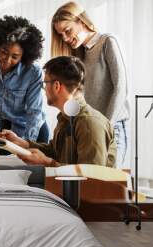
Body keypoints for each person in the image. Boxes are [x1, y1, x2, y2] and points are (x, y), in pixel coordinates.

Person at [0, 56, 117, 167]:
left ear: (56, 86)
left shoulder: (89, 123)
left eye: (45, 83)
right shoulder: (65, 117)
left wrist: (47, 163)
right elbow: (55, 151)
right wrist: (24, 144)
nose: (44, 89)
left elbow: (91, 178)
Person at [51, 1, 129, 167]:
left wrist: (105, 126)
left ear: (81, 21)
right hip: (89, 129)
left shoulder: (108, 42)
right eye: (61, 35)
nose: (64, 38)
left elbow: (121, 89)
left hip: (111, 127)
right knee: (89, 186)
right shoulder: (80, 53)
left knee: (106, 186)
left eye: (67, 30)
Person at [0, 15, 49, 154]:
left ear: (24, 56)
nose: (7, 60)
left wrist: (26, 144)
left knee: (32, 172)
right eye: (3, 51)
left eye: (15, 56)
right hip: (6, 125)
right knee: (5, 169)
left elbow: (34, 112)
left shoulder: (33, 73)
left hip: (33, 129)